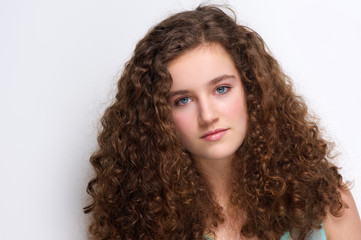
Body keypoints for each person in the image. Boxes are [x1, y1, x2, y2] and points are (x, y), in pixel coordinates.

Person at [84, 5, 361, 240]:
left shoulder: (327, 201)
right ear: (156, 117)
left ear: (251, 90)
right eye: (183, 100)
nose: (208, 115)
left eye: (221, 89)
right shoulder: (140, 225)